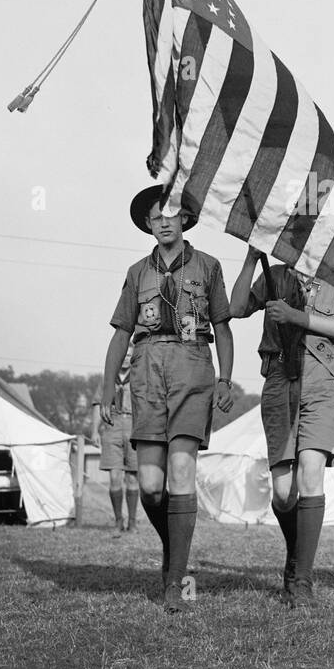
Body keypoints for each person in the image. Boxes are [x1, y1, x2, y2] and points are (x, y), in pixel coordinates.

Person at [101, 184, 234, 612]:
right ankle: (173, 551)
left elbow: (224, 327)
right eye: (155, 216)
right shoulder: (138, 272)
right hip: (146, 371)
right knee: (152, 487)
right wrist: (108, 388)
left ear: (185, 220)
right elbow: (122, 332)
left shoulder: (209, 267)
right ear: (147, 224)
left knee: (181, 470)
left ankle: (175, 582)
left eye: (170, 213)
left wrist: (226, 379)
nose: (163, 221)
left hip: (193, 367)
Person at [229, 247, 334, 607]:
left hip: (322, 380)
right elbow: (237, 308)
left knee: (311, 473)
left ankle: (302, 579)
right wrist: (250, 258)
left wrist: (296, 317)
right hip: (278, 379)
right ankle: (295, 555)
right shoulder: (276, 275)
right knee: (284, 493)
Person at [98, 355, 139, 533]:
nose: (125, 359)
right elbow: (97, 404)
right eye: (123, 354)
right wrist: (94, 431)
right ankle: (118, 521)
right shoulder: (108, 377)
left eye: (129, 355)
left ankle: (132, 521)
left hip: (133, 425)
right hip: (112, 425)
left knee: (132, 477)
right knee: (114, 476)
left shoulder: (139, 376)